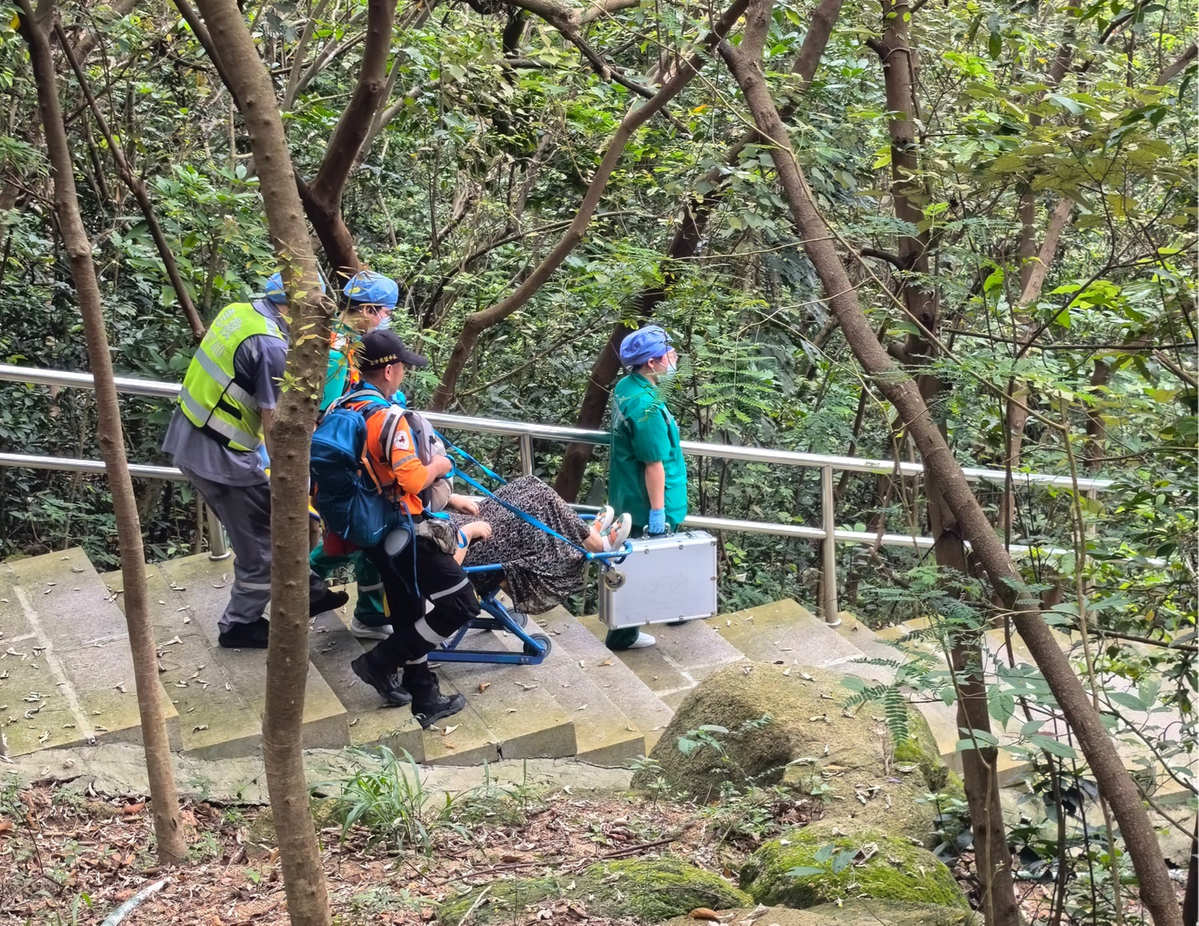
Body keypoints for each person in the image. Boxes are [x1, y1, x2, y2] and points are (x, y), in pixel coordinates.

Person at [162, 272, 347, 649]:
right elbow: (278, 426)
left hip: (196, 433)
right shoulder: (271, 347)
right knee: (263, 543)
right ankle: (238, 625)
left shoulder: (240, 313)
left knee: (275, 525)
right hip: (221, 457)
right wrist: (296, 484)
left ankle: (309, 591)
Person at [343, 329, 486, 728]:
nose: (405, 371)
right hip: (403, 527)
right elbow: (411, 479)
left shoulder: (345, 405)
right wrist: (441, 467)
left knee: (408, 607)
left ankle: (424, 695)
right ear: (389, 370)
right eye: (403, 365)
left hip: (370, 527)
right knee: (461, 604)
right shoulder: (389, 418)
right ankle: (379, 661)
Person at [310, 270, 406, 640]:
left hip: (359, 459)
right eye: (385, 311)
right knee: (368, 536)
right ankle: (368, 614)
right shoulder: (338, 354)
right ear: (366, 309)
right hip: (350, 463)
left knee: (350, 536)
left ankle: (304, 581)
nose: (387, 318)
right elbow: (325, 414)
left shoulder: (344, 343)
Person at [603, 324, 689, 651]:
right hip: (648, 499)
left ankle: (676, 610)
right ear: (651, 363)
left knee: (651, 558)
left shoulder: (627, 386)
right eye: (669, 355)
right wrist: (657, 513)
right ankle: (623, 635)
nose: (674, 359)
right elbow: (653, 463)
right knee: (637, 563)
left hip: (628, 493)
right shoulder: (645, 406)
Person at [444, 477, 632, 615]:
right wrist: (466, 533)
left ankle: (585, 534)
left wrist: (449, 498)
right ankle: (597, 543)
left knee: (527, 484)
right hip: (462, 547)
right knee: (538, 504)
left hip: (454, 527)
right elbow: (446, 569)